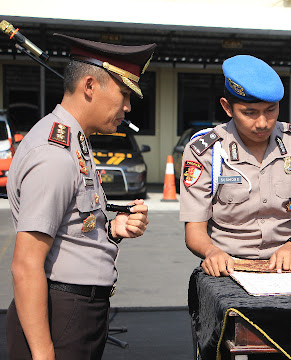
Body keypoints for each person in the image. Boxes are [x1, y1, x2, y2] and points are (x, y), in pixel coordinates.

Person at [5, 34, 153, 359]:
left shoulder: (75, 141)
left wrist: (114, 230)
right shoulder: (54, 154)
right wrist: (44, 354)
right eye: (124, 93)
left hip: (76, 312)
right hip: (61, 316)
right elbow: (26, 265)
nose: (128, 106)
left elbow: (72, 229)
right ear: (90, 86)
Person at [180, 54, 291, 276]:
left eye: (271, 110)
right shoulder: (206, 151)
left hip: (285, 265)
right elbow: (194, 229)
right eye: (249, 113)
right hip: (227, 266)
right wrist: (211, 252)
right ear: (227, 108)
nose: (262, 123)